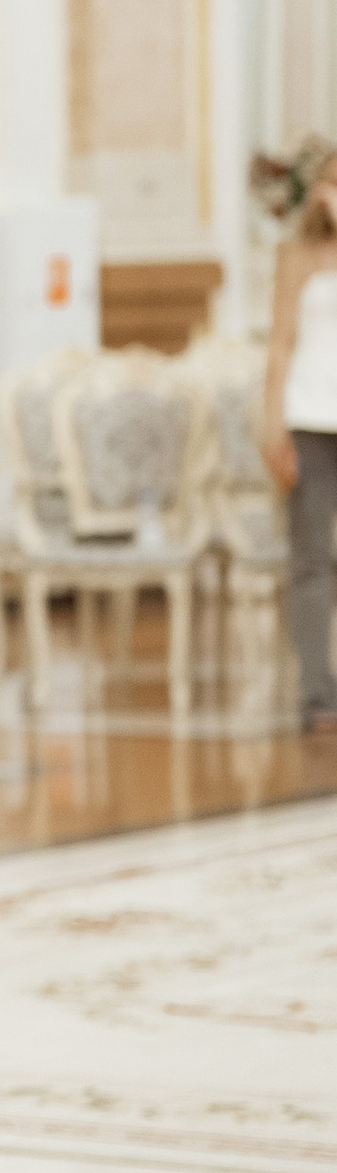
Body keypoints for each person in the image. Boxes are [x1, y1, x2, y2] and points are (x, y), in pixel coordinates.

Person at [262, 148, 337, 735]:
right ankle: (316, 690)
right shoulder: (296, 259)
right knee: (310, 560)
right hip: (310, 419)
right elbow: (282, 343)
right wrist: (272, 420)